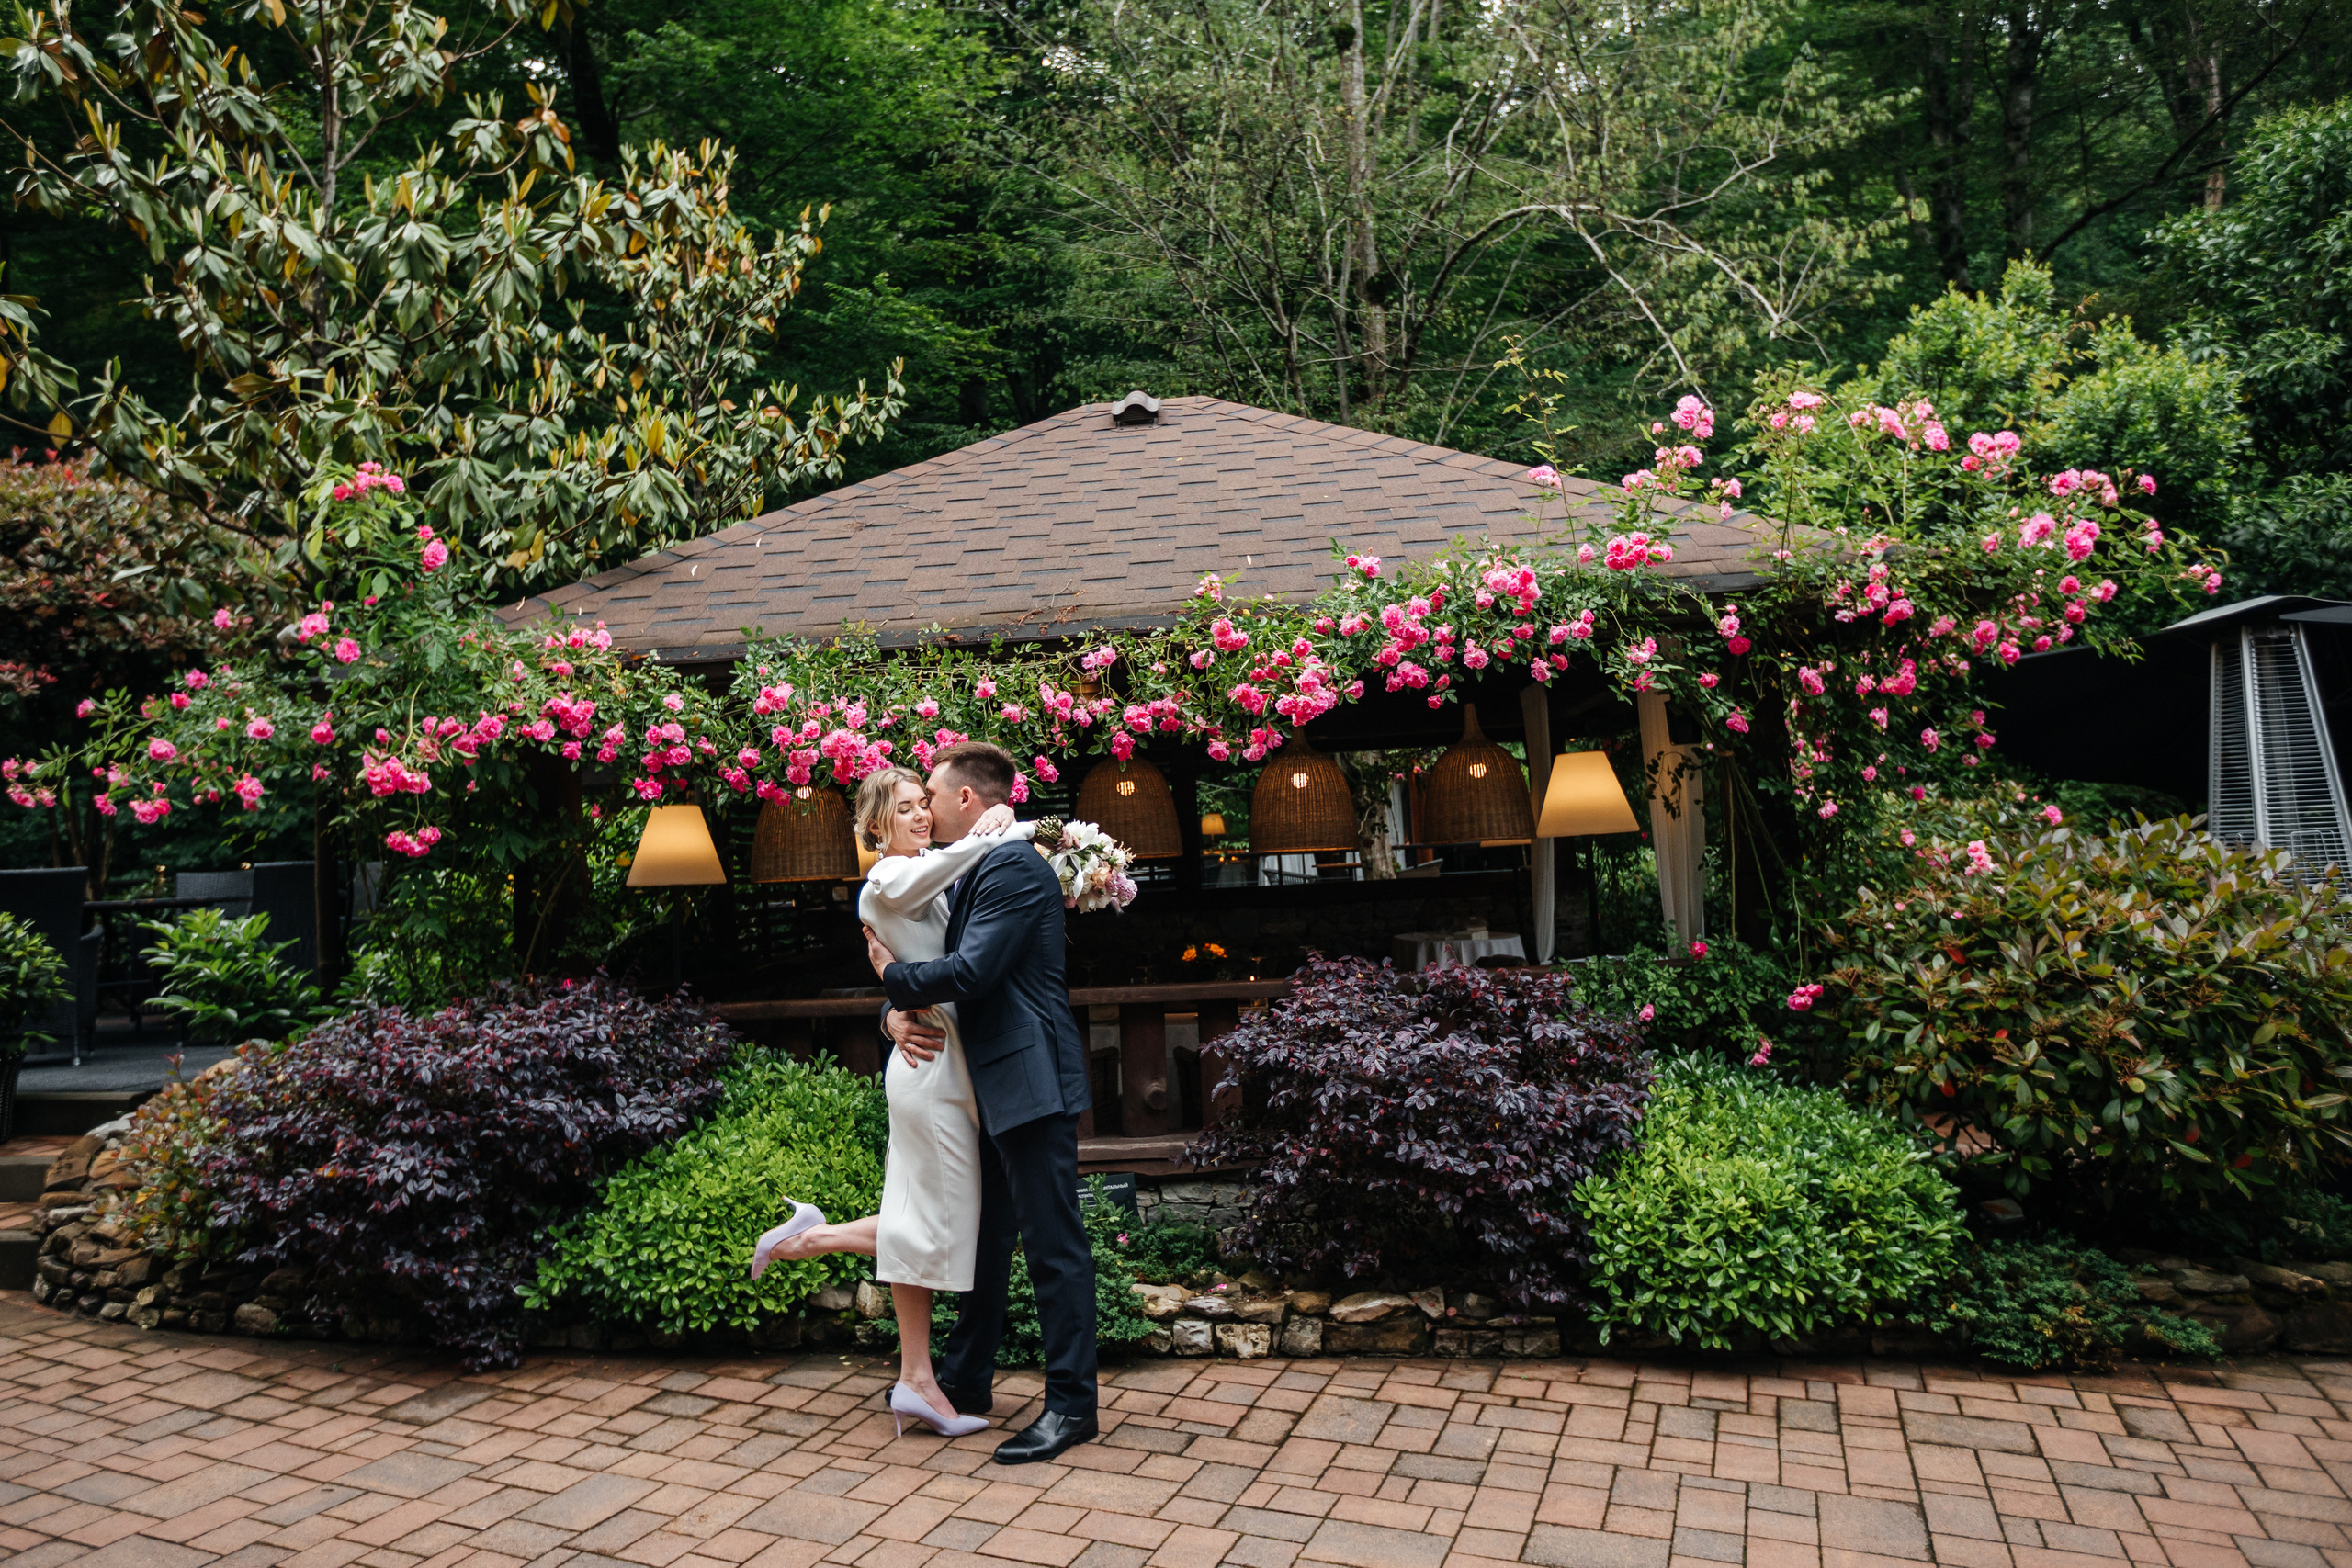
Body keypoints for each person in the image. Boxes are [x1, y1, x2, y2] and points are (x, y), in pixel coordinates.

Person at [749, 763, 1035, 1440]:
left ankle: (825, 1255)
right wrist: (1012, 826)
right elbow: (959, 866)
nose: (920, 816)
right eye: (905, 809)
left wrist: (893, 1004)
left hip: (943, 1064)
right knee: (940, 1227)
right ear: (877, 825)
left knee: (935, 1220)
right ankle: (914, 1375)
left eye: (921, 805)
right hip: (929, 1074)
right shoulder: (886, 881)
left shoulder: (925, 869)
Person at [868, 740, 1100, 1466]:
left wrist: (895, 976)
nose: (926, 810)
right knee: (990, 1238)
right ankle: (967, 1380)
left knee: (1054, 1245)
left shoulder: (1010, 866)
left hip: (1029, 1079)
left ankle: (1070, 1406)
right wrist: (891, 1009)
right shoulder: (971, 865)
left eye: (930, 795)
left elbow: (969, 970)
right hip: (992, 1082)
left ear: (966, 798)